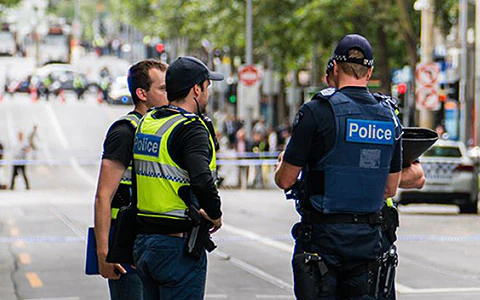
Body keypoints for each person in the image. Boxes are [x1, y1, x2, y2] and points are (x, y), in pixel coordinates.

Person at [275, 34, 403, 299]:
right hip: (370, 242)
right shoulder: (389, 116)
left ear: (333, 68)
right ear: (369, 71)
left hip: (323, 241)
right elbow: (390, 188)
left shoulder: (316, 111)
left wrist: (282, 165)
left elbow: (286, 180)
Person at [132, 56, 223, 300]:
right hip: (177, 247)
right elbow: (202, 180)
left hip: (144, 243)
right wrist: (214, 213)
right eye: (206, 87)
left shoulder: (148, 122)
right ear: (196, 89)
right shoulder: (190, 128)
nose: (207, 93)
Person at [93, 59, 168, 300]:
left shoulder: (163, 131)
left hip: (155, 244)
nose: (170, 94)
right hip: (126, 246)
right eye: (163, 89)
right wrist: (103, 253)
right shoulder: (125, 131)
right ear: (141, 93)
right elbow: (103, 195)